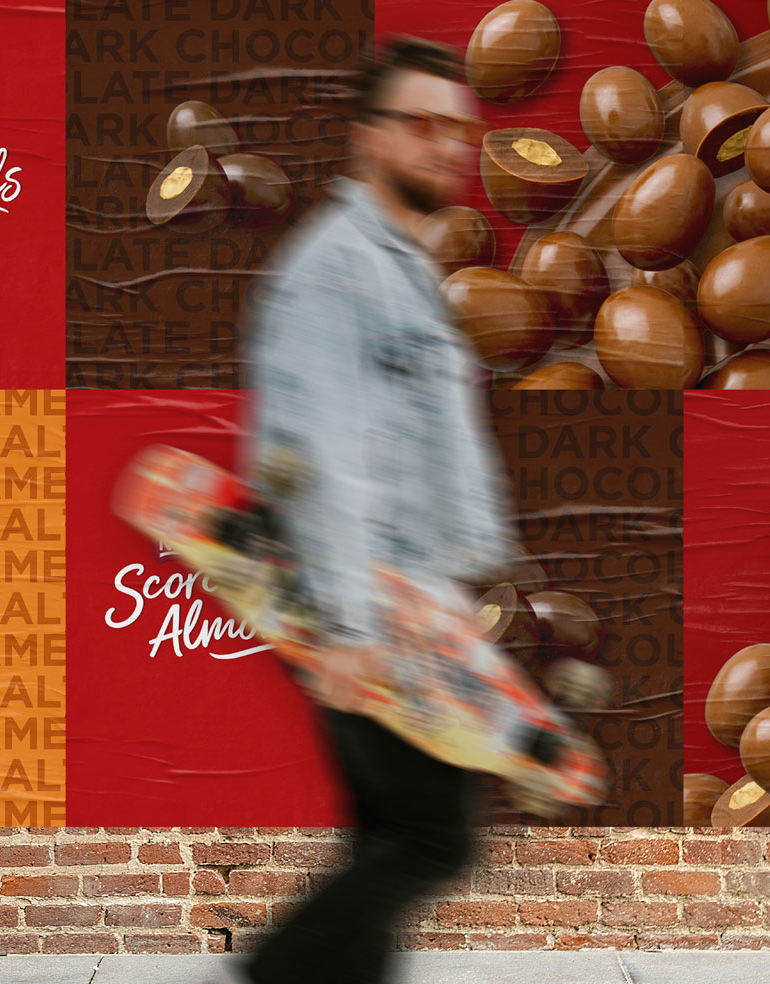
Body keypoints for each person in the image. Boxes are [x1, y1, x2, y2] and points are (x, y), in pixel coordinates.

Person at [240, 36, 521, 984]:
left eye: (461, 130)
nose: (449, 145)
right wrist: (353, 629)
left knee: (388, 836)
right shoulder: (336, 272)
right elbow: (318, 460)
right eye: (423, 124)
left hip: (408, 604)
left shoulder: (401, 265)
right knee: (430, 839)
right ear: (368, 137)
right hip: (366, 608)